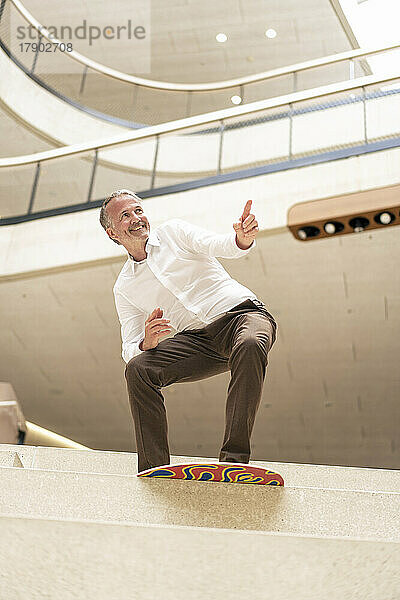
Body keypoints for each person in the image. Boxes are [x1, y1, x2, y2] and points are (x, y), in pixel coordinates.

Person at [99, 189, 277, 473]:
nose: (136, 218)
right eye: (125, 216)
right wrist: (147, 342)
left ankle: (233, 461)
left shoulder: (174, 233)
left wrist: (241, 238)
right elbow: (129, 348)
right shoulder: (124, 287)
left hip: (242, 317)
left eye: (138, 210)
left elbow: (220, 245)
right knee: (139, 369)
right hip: (199, 343)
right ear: (112, 233)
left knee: (250, 344)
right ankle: (153, 468)